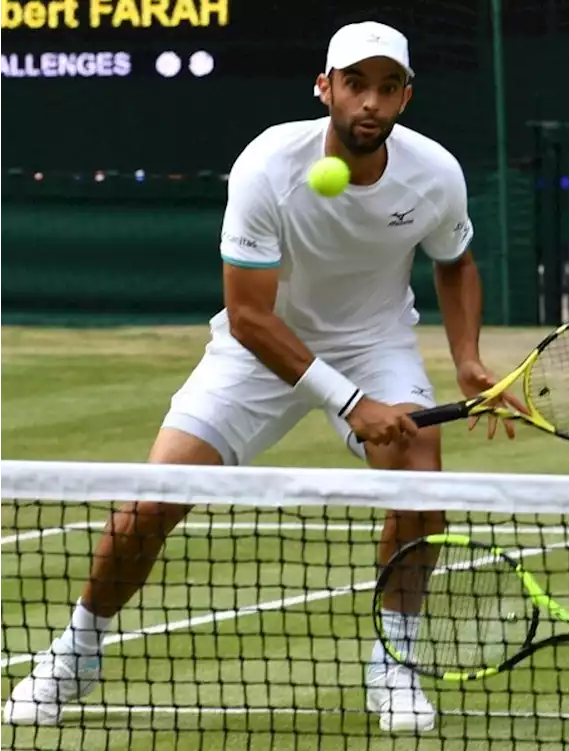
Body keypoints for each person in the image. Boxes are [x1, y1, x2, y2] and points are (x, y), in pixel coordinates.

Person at [2, 21, 520, 735]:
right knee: (153, 500)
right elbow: (248, 317)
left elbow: (454, 261)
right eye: (356, 84)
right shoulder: (267, 166)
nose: (370, 101)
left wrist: (466, 356)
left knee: (419, 485)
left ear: (405, 97)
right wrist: (348, 402)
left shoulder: (434, 173)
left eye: (387, 87)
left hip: (375, 343)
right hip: (259, 348)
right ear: (325, 87)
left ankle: (394, 662)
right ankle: (76, 650)